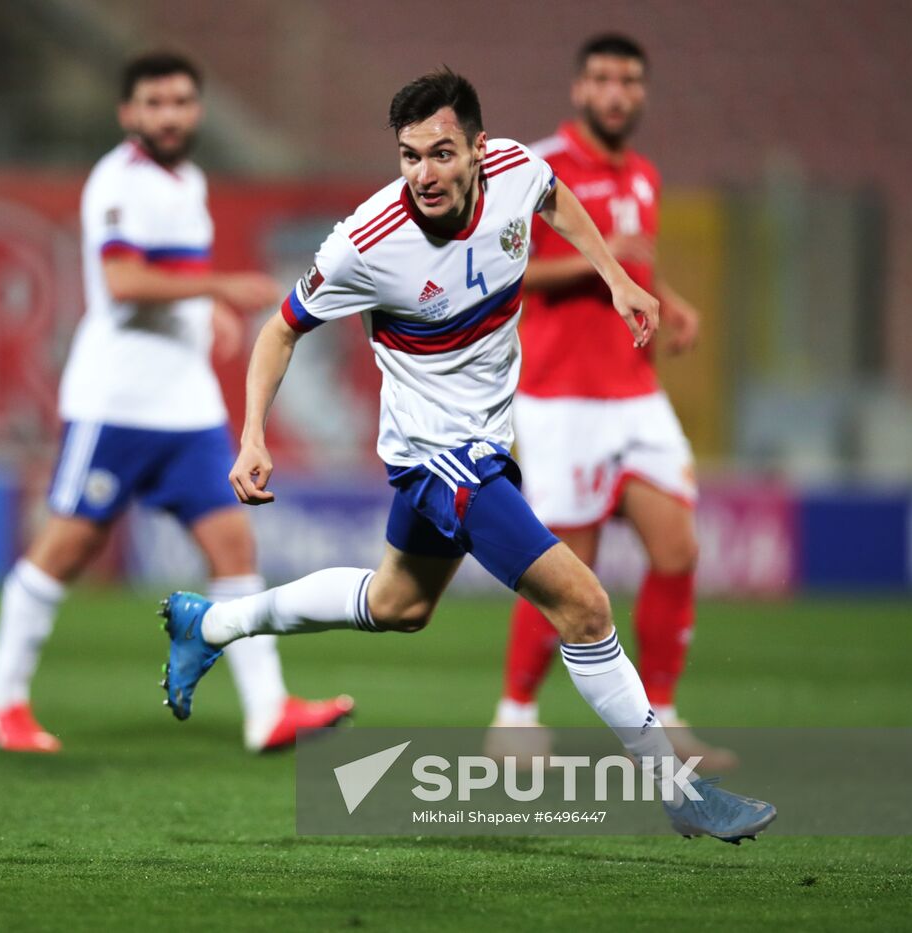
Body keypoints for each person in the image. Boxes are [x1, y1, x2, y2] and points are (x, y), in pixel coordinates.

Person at [158, 68, 774, 842]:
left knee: (397, 605)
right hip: (439, 456)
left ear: (479, 150)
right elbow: (281, 327)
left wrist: (616, 279)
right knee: (583, 605)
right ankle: (679, 791)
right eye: (410, 156)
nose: (424, 174)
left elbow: (555, 197)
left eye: (441, 153)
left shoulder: (516, 172)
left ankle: (210, 625)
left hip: (486, 439)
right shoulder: (367, 243)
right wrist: (252, 433)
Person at [0, 51, 353, 754]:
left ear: (197, 110)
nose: (169, 115)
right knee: (69, 547)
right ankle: (0, 699)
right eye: (154, 102)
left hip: (187, 407)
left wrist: (200, 314)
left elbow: (168, 274)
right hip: (115, 402)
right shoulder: (116, 182)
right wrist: (220, 290)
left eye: (181, 101)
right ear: (128, 113)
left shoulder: (190, 181)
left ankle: (267, 708)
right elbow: (121, 280)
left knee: (232, 542)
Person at [487, 35, 734, 771]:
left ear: (642, 93)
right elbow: (506, 270)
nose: (616, 93)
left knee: (679, 548)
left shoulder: (646, 176)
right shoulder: (536, 168)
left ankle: (662, 719)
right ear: (578, 91)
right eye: (602, 80)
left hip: (635, 393)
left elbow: (628, 266)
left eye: (629, 81)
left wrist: (671, 300)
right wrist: (599, 259)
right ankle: (515, 715)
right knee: (567, 567)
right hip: (561, 398)